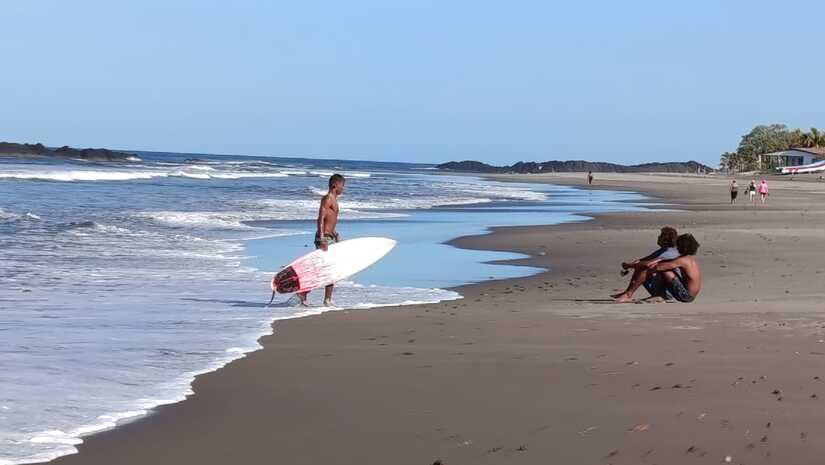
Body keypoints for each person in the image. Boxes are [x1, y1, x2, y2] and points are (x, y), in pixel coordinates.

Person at [297, 173, 345, 307]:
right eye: (342, 185)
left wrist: (335, 233)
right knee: (327, 269)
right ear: (335, 185)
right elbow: (320, 219)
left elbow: (330, 221)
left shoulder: (335, 200)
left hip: (330, 237)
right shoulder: (327, 199)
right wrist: (322, 237)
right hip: (324, 238)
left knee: (330, 269)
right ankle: (307, 294)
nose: (343, 189)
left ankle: (326, 299)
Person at [613, 233, 702, 303]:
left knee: (651, 269)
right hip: (688, 294)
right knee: (657, 268)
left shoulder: (682, 260)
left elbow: (656, 267)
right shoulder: (688, 259)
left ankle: (628, 294)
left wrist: (633, 266)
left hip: (686, 296)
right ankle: (660, 294)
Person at [611, 227, 679, 299]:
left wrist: (630, 265)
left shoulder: (669, 252)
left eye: (661, 236)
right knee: (640, 266)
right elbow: (644, 260)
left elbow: (647, 264)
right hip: (665, 284)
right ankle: (627, 292)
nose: (658, 237)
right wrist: (633, 264)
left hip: (672, 289)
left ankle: (628, 294)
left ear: (665, 240)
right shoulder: (663, 250)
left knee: (643, 268)